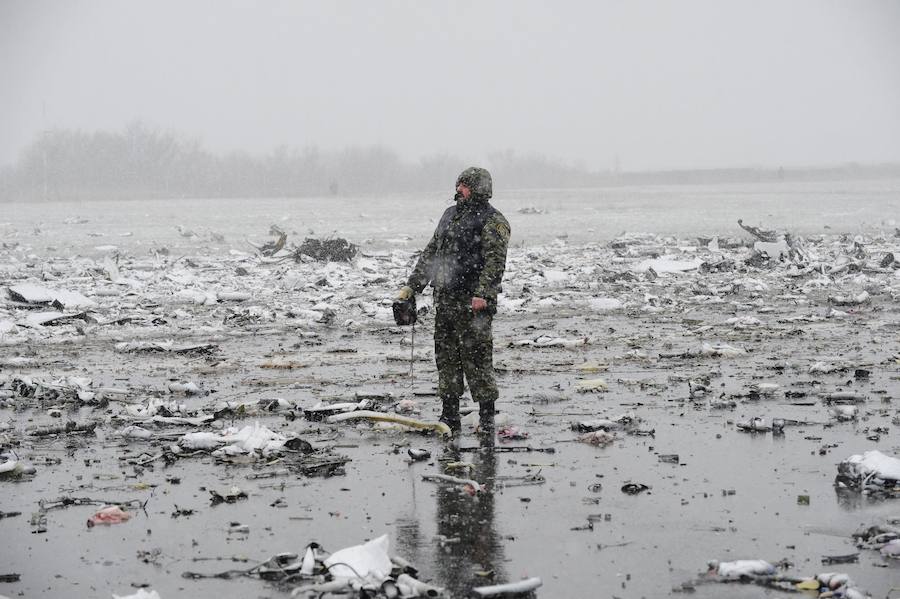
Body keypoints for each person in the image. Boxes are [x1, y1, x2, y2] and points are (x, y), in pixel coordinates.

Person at [396, 166, 510, 435]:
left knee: (477, 359)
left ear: (478, 188)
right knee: (446, 358)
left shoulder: (493, 220)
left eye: (464, 185)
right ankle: (449, 414)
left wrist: (483, 293)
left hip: (473, 303)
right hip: (446, 300)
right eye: (458, 184)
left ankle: (486, 416)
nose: (458, 189)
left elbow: (495, 261)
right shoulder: (450, 215)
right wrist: (412, 286)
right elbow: (431, 253)